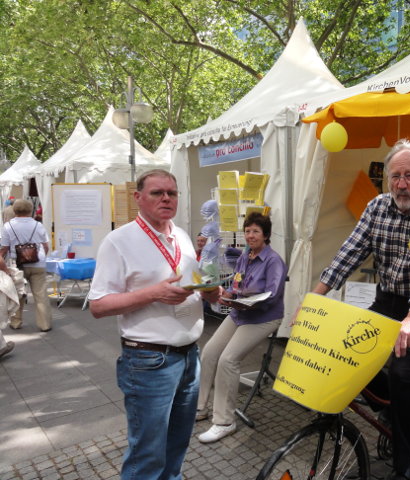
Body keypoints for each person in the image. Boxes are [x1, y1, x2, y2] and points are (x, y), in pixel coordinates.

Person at [310, 139, 410, 480]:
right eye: (395, 176)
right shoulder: (377, 207)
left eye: (409, 176)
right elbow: (350, 252)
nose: (401, 184)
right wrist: (315, 298)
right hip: (391, 297)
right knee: (348, 351)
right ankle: (393, 409)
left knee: (403, 372)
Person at [88, 169, 222, 480]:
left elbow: (192, 285)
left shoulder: (183, 236)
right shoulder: (118, 241)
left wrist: (210, 291)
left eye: (172, 193)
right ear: (138, 198)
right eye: (157, 193)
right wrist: (154, 293)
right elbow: (97, 306)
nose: (166, 198)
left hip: (190, 356)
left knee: (176, 447)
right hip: (149, 361)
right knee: (147, 455)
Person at [197, 212, 286, 443]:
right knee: (209, 352)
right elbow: (238, 282)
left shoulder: (273, 260)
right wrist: (229, 294)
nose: (250, 235)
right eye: (247, 231)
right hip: (240, 311)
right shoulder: (245, 255)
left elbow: (273, 296)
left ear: (265, 235)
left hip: (263, 316)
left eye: (256, 231)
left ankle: (224, 421)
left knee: (228, 359)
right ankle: (200, 407)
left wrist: (244, 298)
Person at [0, 199, 52, 332]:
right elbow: (46, 245)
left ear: (14, 211)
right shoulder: (38, 225)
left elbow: (4, 249)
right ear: (30, 210)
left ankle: (16, 322)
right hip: (38, 263)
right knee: (41, 295)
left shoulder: (8, 226)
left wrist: (4, 266)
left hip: (17, 264)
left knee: (18, 293)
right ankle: (44, 324)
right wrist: (40, 257)